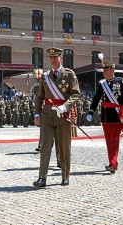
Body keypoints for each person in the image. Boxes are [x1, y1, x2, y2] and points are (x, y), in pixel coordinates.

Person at [33, 47, 81, 187]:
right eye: (51, 58)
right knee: (45, 146)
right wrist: (37, 113)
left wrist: (66, 106)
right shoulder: (45, 76)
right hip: (47, 115)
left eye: (55, 57)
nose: (53, 60)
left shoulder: (69, 74)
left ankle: (65, 176)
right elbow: (40, 97)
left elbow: (76, 94)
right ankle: (42, 177)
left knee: (64, 147)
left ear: (61, 58)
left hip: (63, 115)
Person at [86, 53, 123, 174]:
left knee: (115, 140)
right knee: (108, 141)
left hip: (117, 115)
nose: (104, 71)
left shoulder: (121, 81)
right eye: (103, 69)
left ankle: (113, 164)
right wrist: (91, 111)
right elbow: (96, 98)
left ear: (112, 70)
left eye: (106, 69)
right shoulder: (101, 83)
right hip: (105, 116)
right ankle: (112, 163)